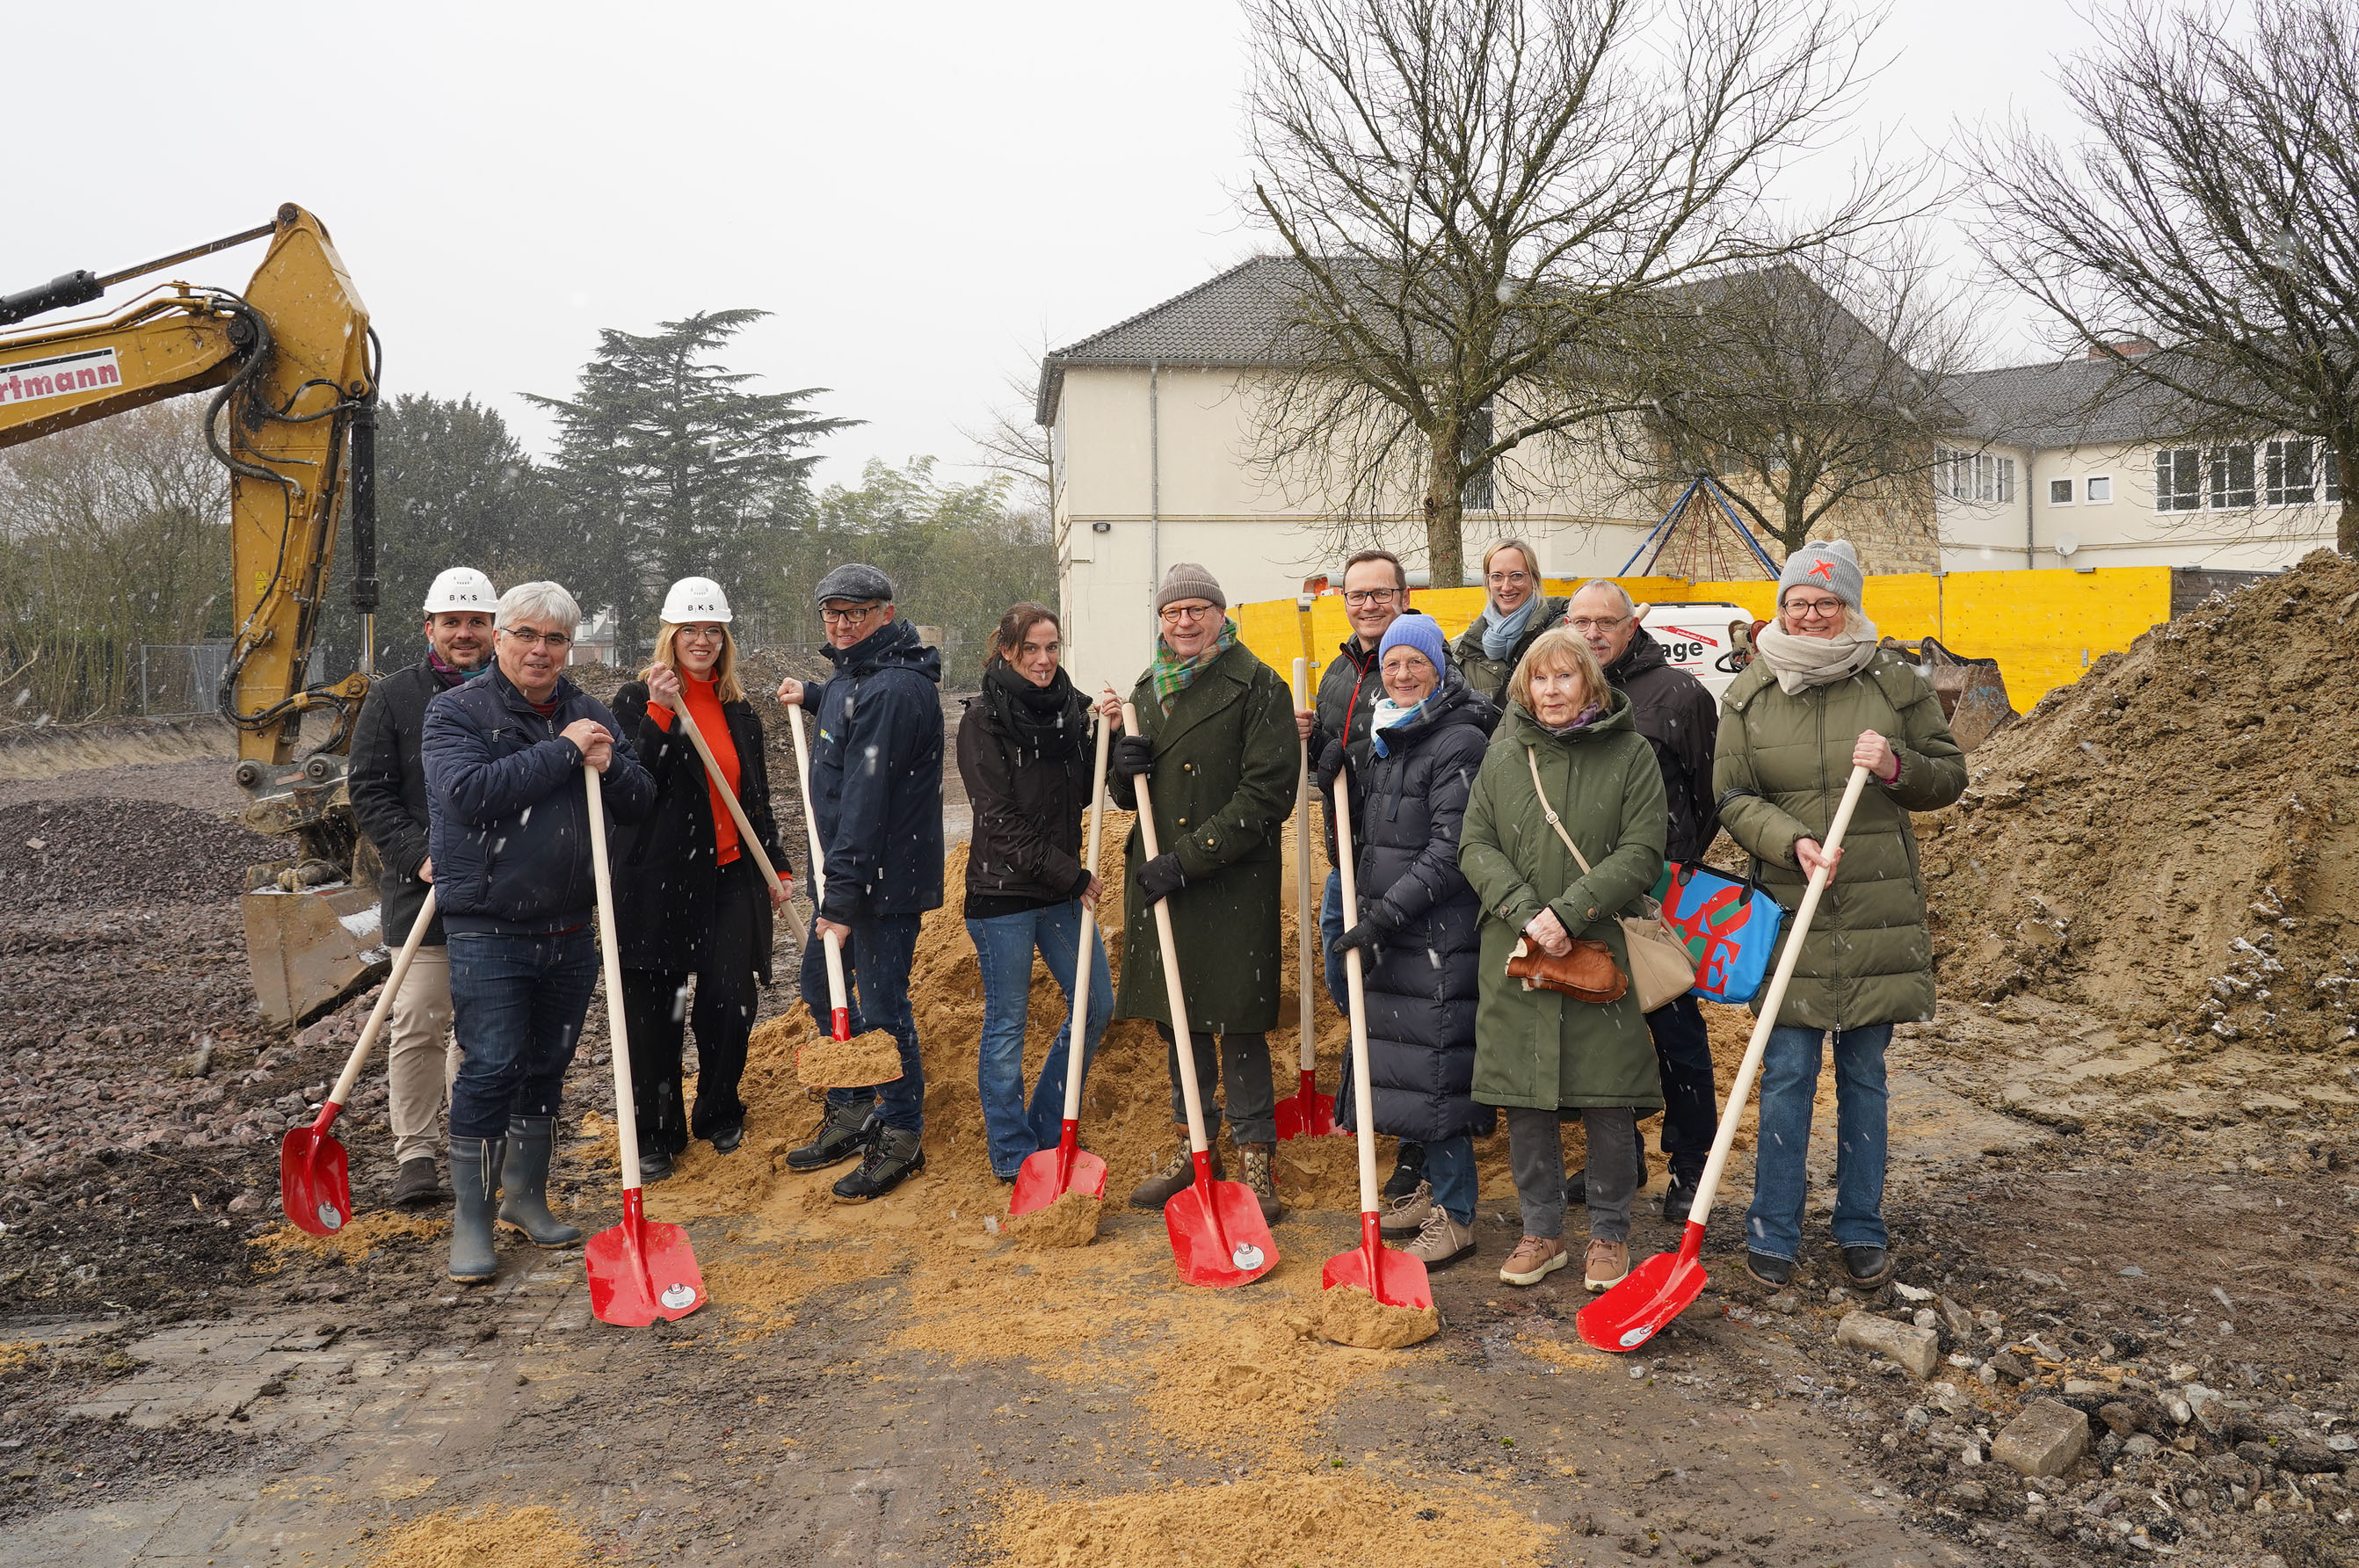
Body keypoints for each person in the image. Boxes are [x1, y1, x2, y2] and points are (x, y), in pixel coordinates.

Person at [1715, 540, 1964, 1289]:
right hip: (1792, 906)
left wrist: (1896, 766)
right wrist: (1787, 839)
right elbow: (1730, 797)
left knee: (1865, 1073)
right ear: (1781, 608)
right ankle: (1774, 1229)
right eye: (1800, 602)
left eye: (1827, 603)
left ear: (1849, 607)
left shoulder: (1893, 682)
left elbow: (1947, 775)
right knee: (1787, 1070)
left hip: (1874, 907)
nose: (1814, 614)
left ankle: (1860, 1226)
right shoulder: (1753, 692)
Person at [421, 582, 656, 1285]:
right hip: (489, 923)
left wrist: (611, 764)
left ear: (569, 647)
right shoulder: (455, 712)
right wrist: (559, 752)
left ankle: (525, 1195)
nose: (540, 651)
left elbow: (641, 801)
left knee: (547, 1066)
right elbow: (469, 795)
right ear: (500, 639)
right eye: (526, 635)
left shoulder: (589, 711)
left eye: (555, 639)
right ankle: (473, 1214)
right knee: (492, 1063)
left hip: (570, 924)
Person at [1458, 626, 1667, 1292]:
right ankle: (1541, 1231)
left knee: (1608, 1098)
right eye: (1540, 679)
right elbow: (1474, 845)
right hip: (1518, 948)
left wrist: (1568, 912)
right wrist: (1525, 910)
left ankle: (1608, 1236)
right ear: (1525, 687)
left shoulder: (1632, 754)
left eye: (1565, 677)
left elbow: (1641, 853)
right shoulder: (1502, 756)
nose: (1551, 691)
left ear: (1590, 684)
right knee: (1528, 1099)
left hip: (1597, 947)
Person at [1100, 563, 1298, 1223]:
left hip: (1226, 882)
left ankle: (1254, 1169)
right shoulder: (1145, 691)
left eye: (1197, 610)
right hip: (1161, 883)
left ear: (1219, 614)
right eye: (1171, 612)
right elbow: (1134, 796)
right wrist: (1121, 772)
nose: (1184, 622)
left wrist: (1187, 860)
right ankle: (1198, 1152)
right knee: (1176, 1027)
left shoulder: (1257, 684)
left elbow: (1267, 794)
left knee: (1237, 1027)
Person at [1319, 613, 1495, 1267]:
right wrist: (1338, 774)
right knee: (1415, 1072)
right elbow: (1381, 833)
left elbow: (1452, 852)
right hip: (1402, 933)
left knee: (1437, 1075)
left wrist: (1386, 916)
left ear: (1439, 668)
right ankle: (1433, 1191)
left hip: (1437, 937)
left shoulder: (1457, 742)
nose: (1401, 674)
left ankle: (1457, 1216)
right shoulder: (1395, 735)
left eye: (1415, 663)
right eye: (1392, 664)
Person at [608, 577, 791, 1184]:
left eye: (713, 631)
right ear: (671, 635)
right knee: (655, 1013)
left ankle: (718, 1109)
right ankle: (657, 1133)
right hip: (656, 881)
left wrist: (776, 862)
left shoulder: (739, 710)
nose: (703, 641)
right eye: (691, 630)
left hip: (730, 875)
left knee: (729, 1003)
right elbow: (634, 786)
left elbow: (755, 798)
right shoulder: (636, 702)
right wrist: (662, 712)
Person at [774, 563, 944, 1203]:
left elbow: (867, 801)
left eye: (855, 612)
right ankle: (852, 1108)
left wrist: (841, 902)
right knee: (822, 989)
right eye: (831, 613)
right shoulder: (859, 677)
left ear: (885, 614)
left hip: (881, 880)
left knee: (880, 1010)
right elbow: (854, 707)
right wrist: (815, 694)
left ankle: (901, 1131)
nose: (841, 623)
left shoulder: (894, 690)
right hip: (848, 874)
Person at [1564, 577, 1724, 1223]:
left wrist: (1674, 859)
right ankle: (1619, 1157)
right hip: (1583, 892)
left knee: (1675, 1033)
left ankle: (1691, 1168)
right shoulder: (1564, 691)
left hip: (1658, 900)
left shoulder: (1678, 694)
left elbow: (1713, 793)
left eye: (1607, 621)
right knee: (1600, 1031)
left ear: (1633, 627)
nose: (1594, 633)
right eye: (1582, 621)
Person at [346, 566, 498, 1209]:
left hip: (499, 890)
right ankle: (415, 1151)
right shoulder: (394, 697)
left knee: (484, 1028)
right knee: (417, 1018)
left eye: (476, 622)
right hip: (423, 891)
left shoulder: (513, 691)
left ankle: (475, 1139)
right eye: (453, 623)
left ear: (494, 628)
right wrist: (420, 855)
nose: (464, 634)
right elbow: (370, 790)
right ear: (429, 627)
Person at [955, 602, 1112, 1181]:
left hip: (1057, 892)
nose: (1043, 660)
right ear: (1007, 651)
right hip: (1003, 898)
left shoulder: (1070, 712)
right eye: (1031, 650)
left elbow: (1078, 796)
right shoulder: (983, 721)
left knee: (1096, 1006)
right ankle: (1012, 1153)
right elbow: (998, 818)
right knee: (1007, 1026)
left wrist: (1108, 741)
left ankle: (1048, 1125)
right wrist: (1069, 874)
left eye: (1051, 648)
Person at [1295, 548, 1425, 1199]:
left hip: (1397, 861)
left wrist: (1353, 758)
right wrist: (1314, 741)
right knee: (1340, 972)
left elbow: (1415, 751)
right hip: (1345, 858)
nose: (1368, 605)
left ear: (1403, 597)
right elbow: (1331, 754)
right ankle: (1365, 1061)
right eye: (1357, 595)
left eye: (1381, 593)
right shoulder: (1341, 672)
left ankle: (1413, 1142)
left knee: (1404, 1000)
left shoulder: (1415, 665)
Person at [1449, 540, 1568, 706]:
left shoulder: (1563, 635)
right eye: (1497, 577)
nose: (1506, 587)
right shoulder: (1464, 648)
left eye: (1517, 576)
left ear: (1533, 579)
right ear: (1488, 581)